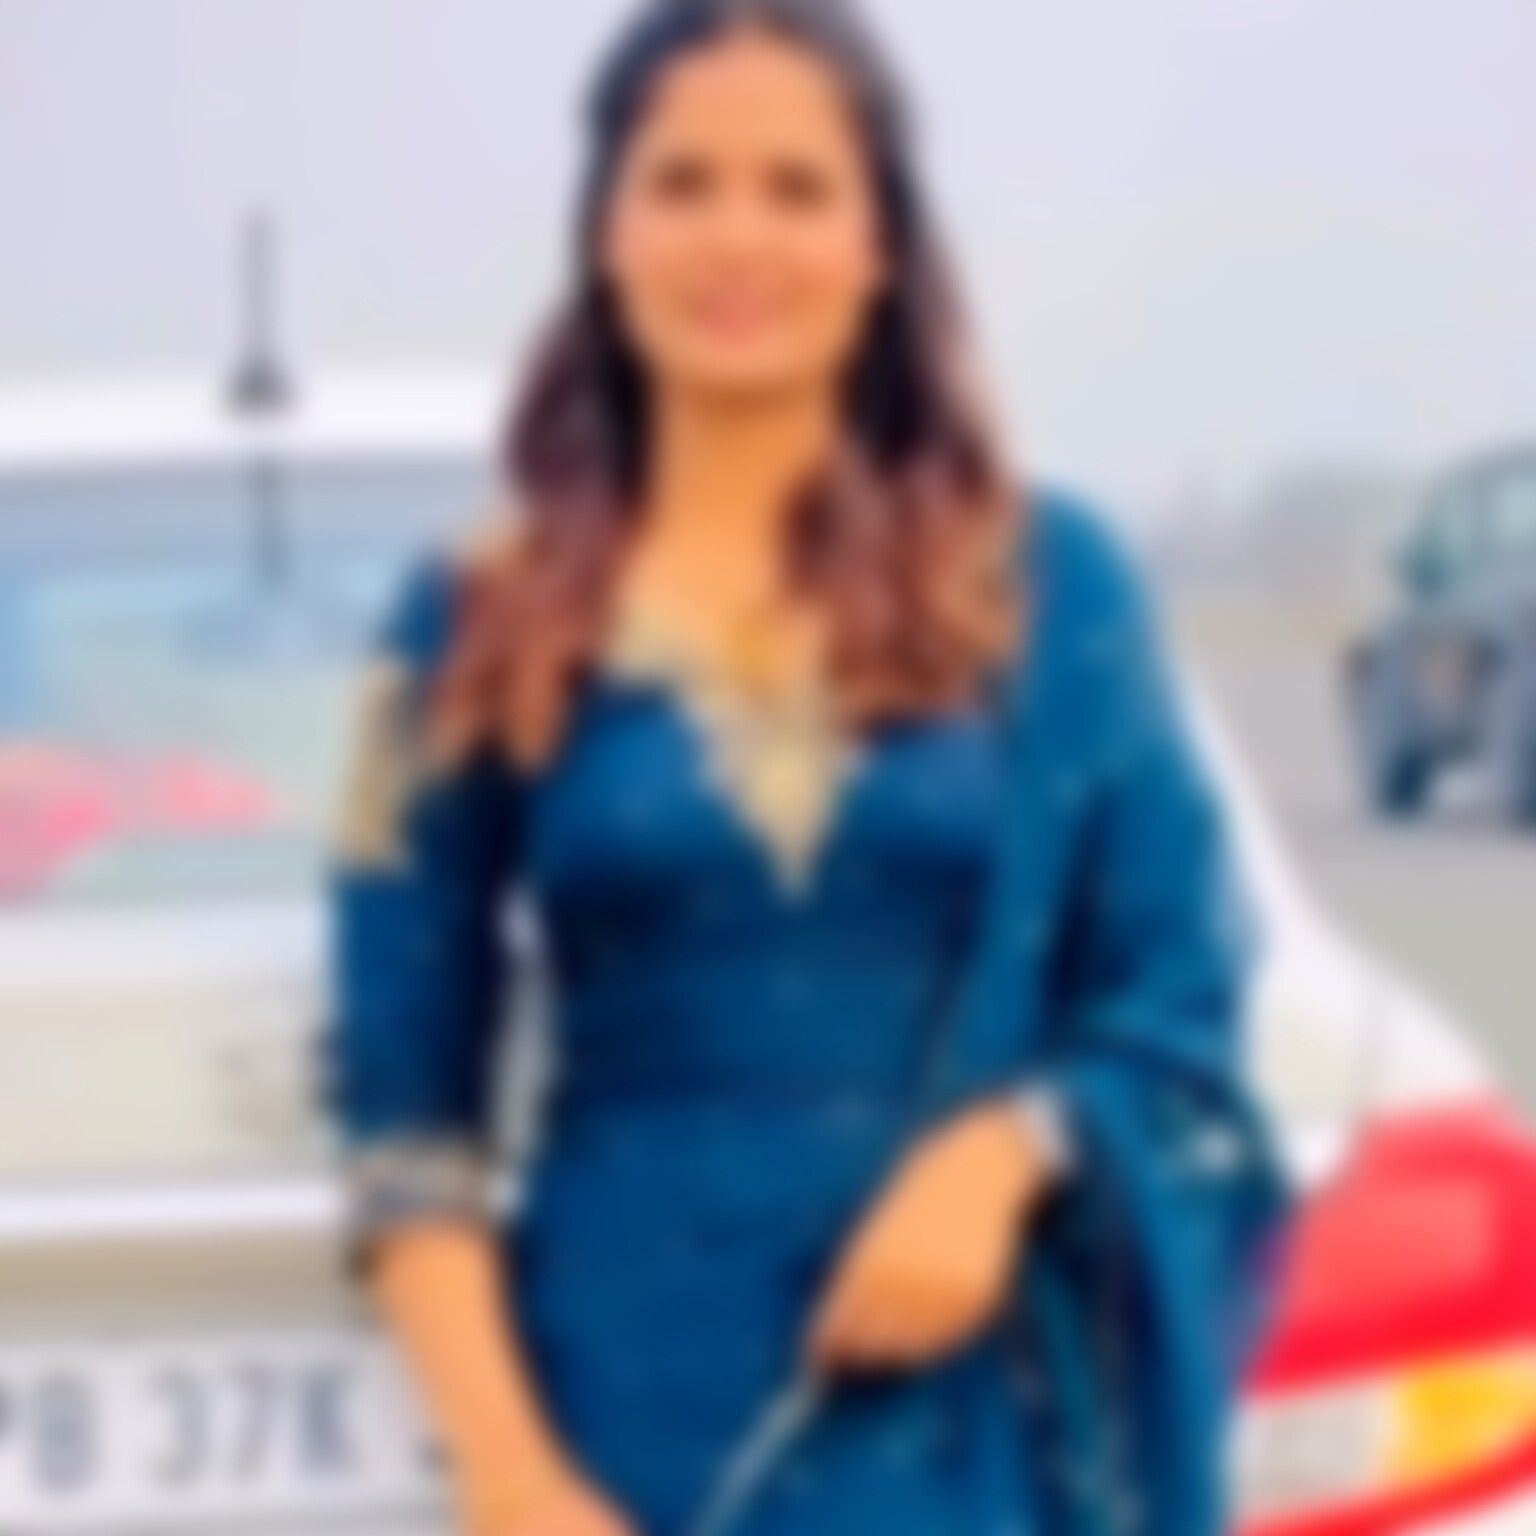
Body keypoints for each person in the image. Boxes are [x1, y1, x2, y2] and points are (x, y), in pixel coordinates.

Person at [321, 3, 1292, 1534]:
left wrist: (1004, 1153)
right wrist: (512, 1480)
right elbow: (403, 1109)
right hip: (623, 1408)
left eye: (796, 189)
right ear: (607, 231)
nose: (737, 239)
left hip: (972, 1409)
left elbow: (1178, 985)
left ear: (879, 245)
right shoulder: (469, 617)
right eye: (682, 183)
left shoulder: (1048, 587)